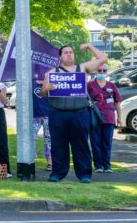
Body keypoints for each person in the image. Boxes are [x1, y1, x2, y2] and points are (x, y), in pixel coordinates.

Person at [41, 44, 107, 183]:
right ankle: (57, 173)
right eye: (65, 52)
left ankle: (84, 174)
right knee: (58, 145)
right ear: (60, 56)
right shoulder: (52, 72)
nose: (69, 54)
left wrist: (89, 46)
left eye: (71, 52)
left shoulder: (82, 68)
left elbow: (103, 58)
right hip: (58, 113)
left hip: (80, 113)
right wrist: (46, 88)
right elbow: (43, 94)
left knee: (81, 144)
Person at [87, 64, 122, 173]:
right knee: (95, 142)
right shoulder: (90, 85)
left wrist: (119, 117)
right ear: (95, 72)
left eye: (104, 70)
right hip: (95, 117)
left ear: (107, 72)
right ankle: (97, 165)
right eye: (99, 70)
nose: (102, 72)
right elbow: (84, 99)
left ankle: (107, 165)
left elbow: (117, 102)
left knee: (107, 143)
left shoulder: (112, 86)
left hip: (109, 117)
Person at [32, 80, 52, 171]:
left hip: (49, 115)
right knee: (31, 138)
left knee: (49, 139)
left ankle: (50, 162)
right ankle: (30, 161)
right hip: (34, 116)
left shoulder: (50, 81)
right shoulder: (31, 82)